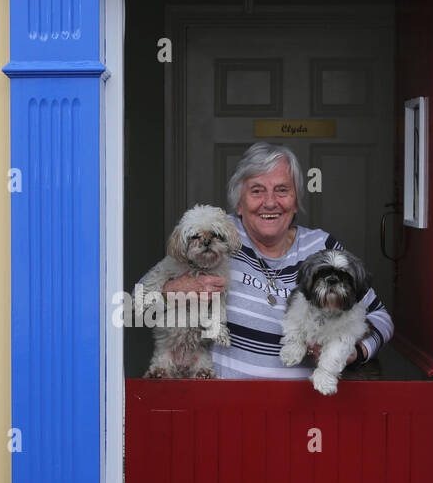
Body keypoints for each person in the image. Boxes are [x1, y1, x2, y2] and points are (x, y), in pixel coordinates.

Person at [140, 143, 393, 379]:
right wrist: (174, 290)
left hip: (304, 408)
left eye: (282, 190)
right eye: (257, 190)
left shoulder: (322, 248)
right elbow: (138, 303)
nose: (270, 202)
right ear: (239, 203)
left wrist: (357, 352)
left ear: (296, 202)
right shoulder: (216, 237)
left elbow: (381, 317)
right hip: (223, 404)